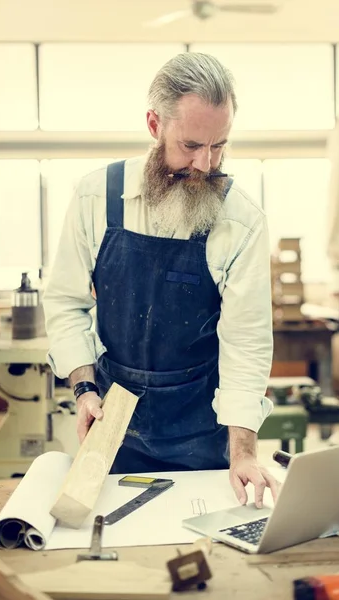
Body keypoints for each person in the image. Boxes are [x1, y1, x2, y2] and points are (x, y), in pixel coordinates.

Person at [43, 52, 279, 508]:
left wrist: (244, 451)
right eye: (191, 145)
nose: (206, 164)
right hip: (112, 417)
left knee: (205, 539)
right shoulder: (97, 197)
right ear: (155, 124)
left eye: (219, 145)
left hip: (201, 420)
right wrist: (84, 389)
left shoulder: (242, 221)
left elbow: (246, 342)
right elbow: (67, 302)